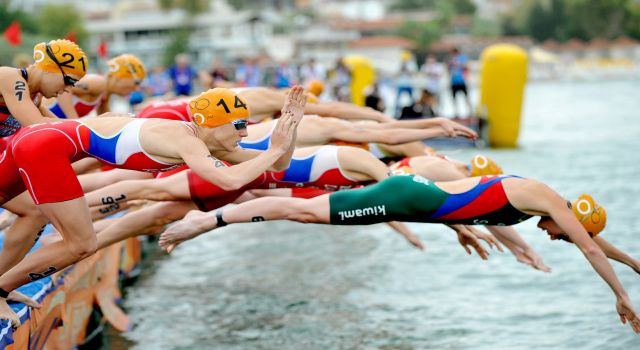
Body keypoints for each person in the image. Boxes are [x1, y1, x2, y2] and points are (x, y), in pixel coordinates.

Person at [159, 173, 640, 333]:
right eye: (563, 234)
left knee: (300, 211)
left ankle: (211, 219)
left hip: (416, 198)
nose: (555, 237)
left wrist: (637, 265)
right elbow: (591, 252)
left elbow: (595, 244)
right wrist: (621, 296)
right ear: (573, 219)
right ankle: (206, 220)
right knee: (298, 212)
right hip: (412, 199)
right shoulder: (546, 199)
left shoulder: (547, 207)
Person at [0, 87, 305, 327]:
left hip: (35, 141)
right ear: (211, 124)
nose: (245, 133)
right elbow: (228, 181)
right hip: (45, 147)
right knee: (82, 243)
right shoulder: (186, 139)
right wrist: (275, 148)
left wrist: (288, 132)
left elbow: (278, 164)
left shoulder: (204, 140)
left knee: (31, 214)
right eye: (239, 125)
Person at [0, 39, 87, 136]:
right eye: (68, 81)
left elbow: (58, 123)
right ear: (49, 68)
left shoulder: (36, 97)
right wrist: (94, 122)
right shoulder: (8, 77)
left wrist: (99, 121)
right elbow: (37, 124)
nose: (68, 89)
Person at [46, 54, 146, 119]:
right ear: (120, 77)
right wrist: (75, 122)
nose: (137, 88)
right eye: (137, 82)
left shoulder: (105, 94)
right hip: (40, 117)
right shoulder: (98, 82)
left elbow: (106, 121)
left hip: (47, 120)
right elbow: (65, 85)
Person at [448, 47, 472, 118]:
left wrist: (458, 64)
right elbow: (449, 69)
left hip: (461, 81)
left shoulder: (462, 58)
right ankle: (456, 113)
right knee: (454, 98)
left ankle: (470, 112)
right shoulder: (451, 59)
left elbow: (466, 67)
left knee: (466, 97)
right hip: (454, 81)